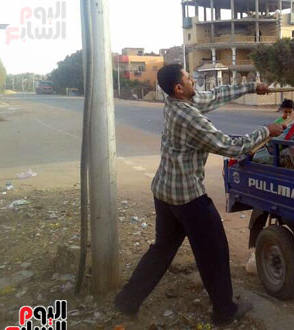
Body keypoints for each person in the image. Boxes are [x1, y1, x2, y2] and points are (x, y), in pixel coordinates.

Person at [114, 64, 284, 326]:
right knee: (214, 251)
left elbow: (216, 95)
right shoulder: (187, 117)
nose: (194, 80)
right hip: (187, 198)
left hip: (164, 192)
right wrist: (266, 131)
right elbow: (229, 146)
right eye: (189, 78)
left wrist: (253, 87)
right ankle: (224, 311)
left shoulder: (177, 101)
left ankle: (127, 300)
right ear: (179, 88)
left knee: (161, 250)